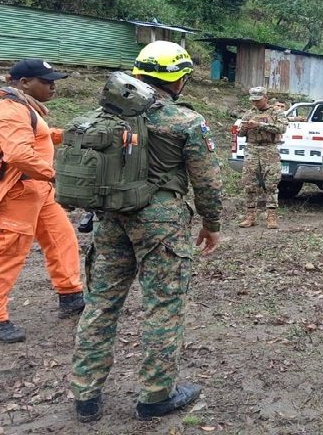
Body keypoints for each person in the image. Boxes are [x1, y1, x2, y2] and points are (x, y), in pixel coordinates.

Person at [70, 41, 222, 422]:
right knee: (163, 306)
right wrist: (211, 224)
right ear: (180, 78)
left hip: (110, 220)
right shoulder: (184, 121)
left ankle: (85, 395)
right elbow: (207, 182)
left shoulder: (102, 115)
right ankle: (156, 394)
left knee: (100, 304)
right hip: (162, 223)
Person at [0, 59, 84, 343]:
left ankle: (71, 295)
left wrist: (68, 136)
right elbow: (19, 154)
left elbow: (38, 137)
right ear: (23, 83)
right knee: (5, 254)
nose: (52, 86)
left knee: (61, 239)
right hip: (14, 194)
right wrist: (54, 176)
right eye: (46, 82)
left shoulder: (24, 106)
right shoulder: (8, 110)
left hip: (37, 191)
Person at [238, 86, 288, 229]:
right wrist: (245, 127)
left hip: (269, 149)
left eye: (258, 100)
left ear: (266, 97)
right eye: (253, 100)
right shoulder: (249, 113)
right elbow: (240, 134)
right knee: (249, 183)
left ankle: (271, 217)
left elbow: (281, 128)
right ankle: (250, 216)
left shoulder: (276, 112)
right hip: (252, 149)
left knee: (271, 183)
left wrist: (260, 124)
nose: (255, 103)